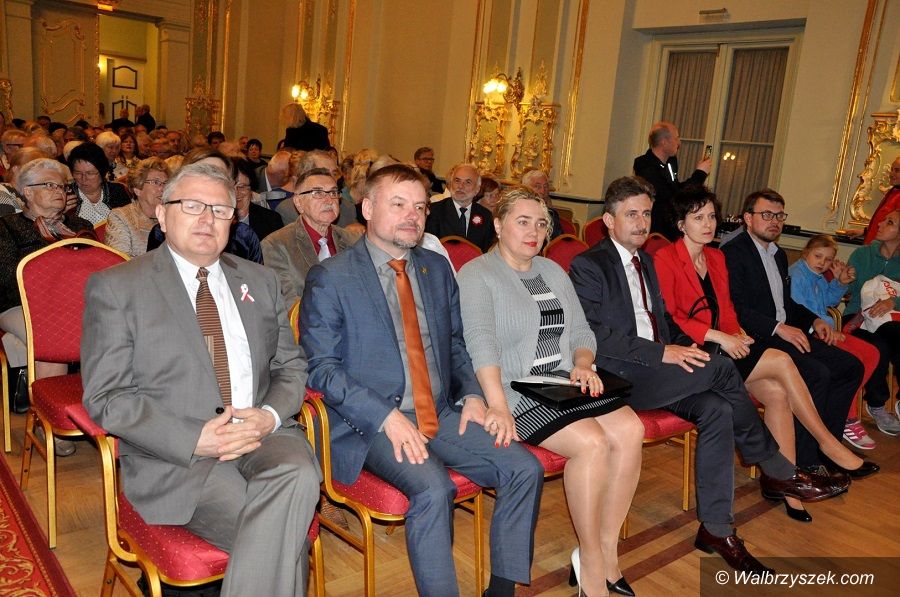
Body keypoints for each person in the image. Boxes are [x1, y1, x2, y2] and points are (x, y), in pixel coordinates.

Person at [570, 176, 843, 574]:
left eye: (646, 214)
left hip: (659, 366)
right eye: (631, 215)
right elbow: (594, 333)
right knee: (723, 368)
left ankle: (717, 529)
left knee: (718, 409)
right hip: (622, 373)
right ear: (609, 221)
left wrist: (685, 348)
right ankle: (778, 469)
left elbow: (665, 320)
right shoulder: (589, 264)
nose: (642, 223)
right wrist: (665, 352)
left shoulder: (646, 261)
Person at [300, 164, 543, 597]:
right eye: (399, 205)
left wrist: (472, 394)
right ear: (368, 208)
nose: (413, 215)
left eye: (419, 206)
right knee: (434, 489)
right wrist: (385, 416)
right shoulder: (332, 276)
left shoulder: (434, 268)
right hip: (371, 422)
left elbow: (455, 343)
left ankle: (502, 590)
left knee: (524, 468)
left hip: (441, 410)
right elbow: (322, 368)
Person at [81, 162, 321, 596]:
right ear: (162, 213)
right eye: (192, 206)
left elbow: (290, 366)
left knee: (300, 474)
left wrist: (268, 416)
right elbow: (108, 397)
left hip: (262, 432)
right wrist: (196, 438)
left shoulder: (260, 281)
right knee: (283, 533)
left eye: (220, 210)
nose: (207, 219)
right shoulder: (117, 287)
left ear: (234, 220)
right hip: (178, 456)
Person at [458, 187, 643, 597]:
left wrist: (582, 363)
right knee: (593, 443)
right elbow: (481, 344)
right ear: (498, 224)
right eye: (522, 222)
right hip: (515, 391)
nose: (533, 232)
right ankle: (591, 562)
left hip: (562, 382)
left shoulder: (553, 271)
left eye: (541, 224)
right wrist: (498, 406)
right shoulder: (477, 274)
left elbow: (581, 331)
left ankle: (607, 552)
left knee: (631, 429)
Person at [654, 187, 870, 522]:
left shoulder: (715, 257)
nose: (708, 224)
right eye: (698, 218)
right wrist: (721, 336)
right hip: (693, 352)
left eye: (711, 216)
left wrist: (734, 333)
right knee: (782, 360)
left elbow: (727, 309)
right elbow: (671, 318)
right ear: (681, 224)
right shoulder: (665, 258)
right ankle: (826, 443)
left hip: (724, 347)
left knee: (777, 394)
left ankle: (787, 486)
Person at [721, 190, 877, 479]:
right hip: (758, 339)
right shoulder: (733, 253)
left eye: (779, 216)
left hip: (784, 333)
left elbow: (786, 304)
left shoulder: (778, 254)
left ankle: (828, 450)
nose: (775, 221)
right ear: (747, 218)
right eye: (767, 215)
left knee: (850, 366)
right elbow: (736, 308)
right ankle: (806, 461)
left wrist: (814, 320)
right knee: (817, 373)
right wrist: (778, 328)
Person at [0, 158, 94, 436]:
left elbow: (102, 271)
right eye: (50, 185)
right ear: (27, 192)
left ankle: (107, 408)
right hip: (20, 304)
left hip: (80, 303)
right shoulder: (6, 227)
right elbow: (8, 278)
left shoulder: (80, 224)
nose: (59, 191)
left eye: (62, 186)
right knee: (52, 331)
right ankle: (48, 422)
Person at [788, 235, 884, 447]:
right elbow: (800, 311)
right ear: (806, 253)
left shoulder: (818, 276)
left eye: (828, 260)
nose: (822, 263)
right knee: (854, 360)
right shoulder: (797, 275)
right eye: (818, 256)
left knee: (872, 353)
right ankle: (847, 417)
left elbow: (829, 301)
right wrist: (827, 328)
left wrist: (840, 282)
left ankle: (841, 405)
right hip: (811, 333)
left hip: (825, 329)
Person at [262, 167, 359, 307]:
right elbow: (287, 304)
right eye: (318, 193)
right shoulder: (276, 245)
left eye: (333, 192)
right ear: (298, 202)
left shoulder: (354, 241)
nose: (329, 200)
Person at [844, 210, 900, 435]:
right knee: (878, 348)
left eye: (890, 222)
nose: (880, 224)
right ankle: (877, 405)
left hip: (892, 320)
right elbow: (848, 292)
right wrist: (843, 280)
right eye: (884, 220)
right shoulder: (862, 254)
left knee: (894, 336)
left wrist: (893, 301)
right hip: (857, 317)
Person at [633, 121, 711, 241]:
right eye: (676, 138)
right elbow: (672, 196)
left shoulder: (670, 162)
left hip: (671, 229)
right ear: (664, 142)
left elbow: (677, 188)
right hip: (656, 233)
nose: (679, 143)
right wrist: (700, 173)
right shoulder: (645, 166)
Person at [106, 157, 170, 257]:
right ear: (137, 189)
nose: (163, 188)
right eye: (156, 182)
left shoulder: (173, 214)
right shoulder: (121, 217)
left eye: (166, 183)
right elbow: (119, 261)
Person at [425, 163, 496, 252]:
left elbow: (487, 251)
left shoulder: (485, 215)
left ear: (477, 189)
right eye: (457, 181)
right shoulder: (434, 211)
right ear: (450, 184)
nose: (461, 186)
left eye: (468, 182)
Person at [68, 142, 130, 225]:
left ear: (102, 173)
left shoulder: (117, 191)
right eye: (78, 173)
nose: (84, 179)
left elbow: (131, 221)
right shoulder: (67, 195)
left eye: (90, 173)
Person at [232, 158, 282, 241]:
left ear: (251, 189)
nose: (236, 193)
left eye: (242, 187)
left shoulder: (271, 220)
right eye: (230, 187)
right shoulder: (214, 220)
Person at [862, 157, 900, 245]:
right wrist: (865, 232)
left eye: (897, 170)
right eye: (892, 170)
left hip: (882, 249)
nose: (891, 174)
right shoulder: (893, 192)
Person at [521, 170, 563, 240]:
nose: (543, 191)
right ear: (525, 189)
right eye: (537, 187)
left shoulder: (552, 214)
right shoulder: (518, 212)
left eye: (546, 186)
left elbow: (558, 241)